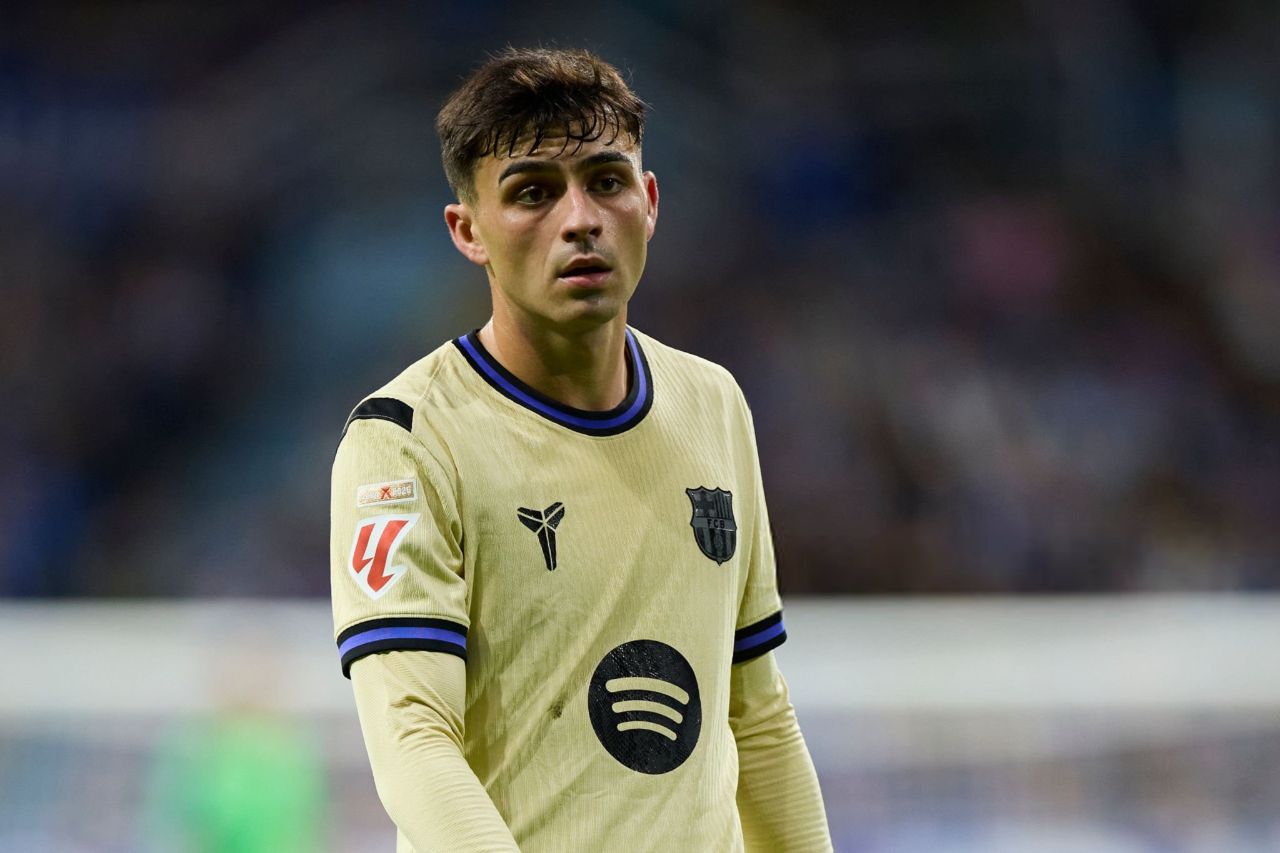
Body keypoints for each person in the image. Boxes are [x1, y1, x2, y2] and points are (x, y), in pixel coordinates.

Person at [330, 46, 833, 852]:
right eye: (532, 192)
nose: (580, 220)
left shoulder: (713, 404)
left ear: (649, 201)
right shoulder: (407, 439)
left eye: (606, 181)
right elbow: (413, 740)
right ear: (468, 230)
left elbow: (758, 715)